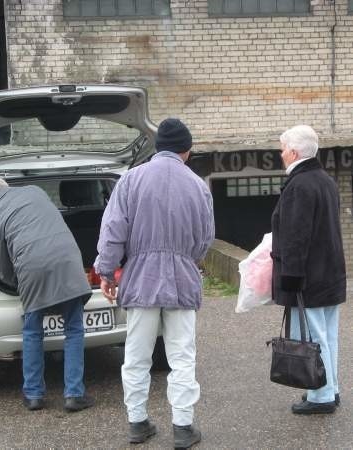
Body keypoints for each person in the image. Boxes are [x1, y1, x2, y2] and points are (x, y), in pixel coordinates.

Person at [94, 118, 215, 448]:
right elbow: (205, 240)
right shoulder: (198, 186)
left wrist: (106, 273)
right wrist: (183, 258)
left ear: (157, 147)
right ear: (186, 151)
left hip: (141, 282)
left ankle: (137, 423)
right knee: (182, 357)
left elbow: (112, 232)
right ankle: (183, 428)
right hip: (182, 282)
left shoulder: (131, 180)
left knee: (136, 357)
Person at [0, 177, 94, 412]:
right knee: (73, 329)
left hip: (32, 269)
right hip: (68, 260)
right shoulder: (35, 191)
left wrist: (17, 283)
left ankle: (33, 395)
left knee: (32, 331)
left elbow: (1, 265)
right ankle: (74, 395)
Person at [271, 125, 346, 414]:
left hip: (308, 279)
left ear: (293, 152)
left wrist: (290, 278)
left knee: (312, 339)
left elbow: (296, 236)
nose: (280, 154)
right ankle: (330, 389)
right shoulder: (325, 180)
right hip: (329, 273)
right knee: (327, 337)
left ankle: (321, 396)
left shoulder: (299, 185)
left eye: (282, 149)